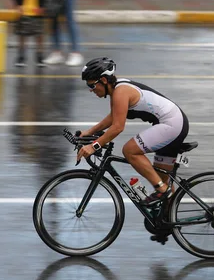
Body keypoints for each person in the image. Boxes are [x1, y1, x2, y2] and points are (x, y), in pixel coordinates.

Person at [77, 57, 190, 206]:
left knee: (130, 150)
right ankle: (169, 220)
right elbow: (113, 116)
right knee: (163, 180)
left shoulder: (120, 92)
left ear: (104, 80)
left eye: (92, 85)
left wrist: (93, 146)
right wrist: (89, 132)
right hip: (174, 123)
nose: (91, 90)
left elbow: (117, 127)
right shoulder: (117, 89)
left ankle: (162, 190)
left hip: (172, 124)